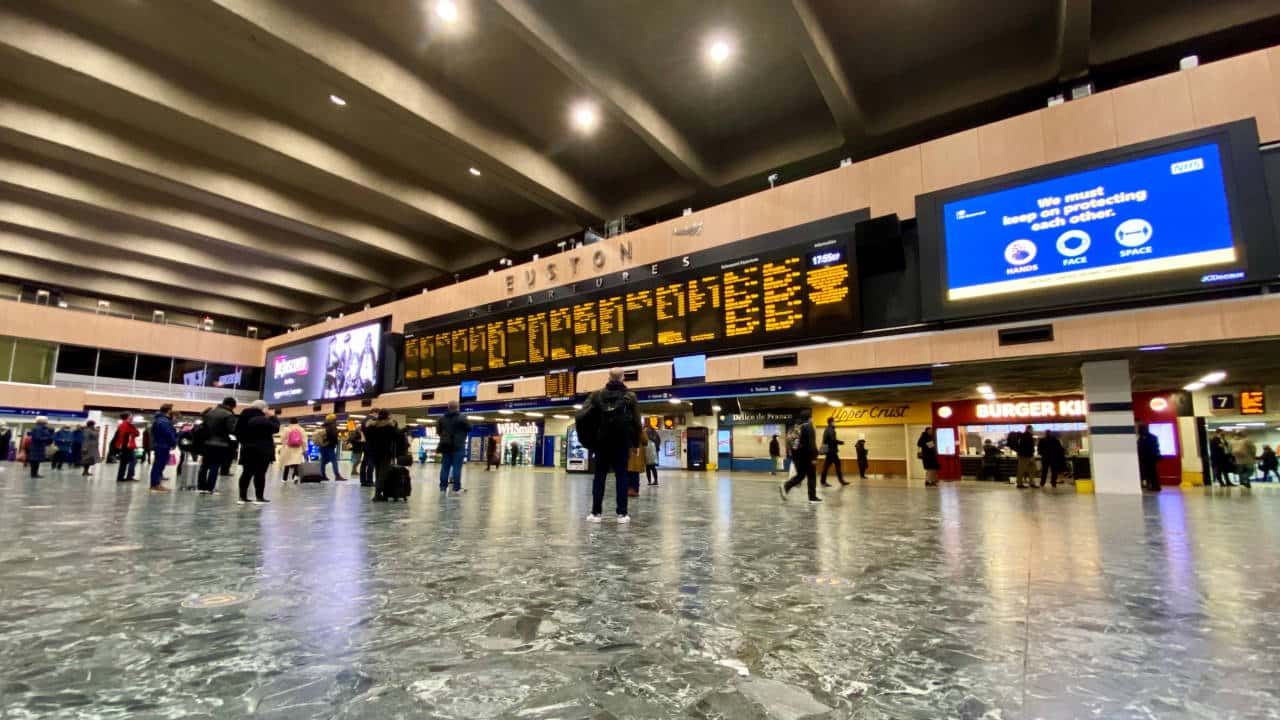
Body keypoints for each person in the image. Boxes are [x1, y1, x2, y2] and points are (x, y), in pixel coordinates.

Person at [579, 368, 642, 522]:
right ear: (623, 378)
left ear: (609, 377)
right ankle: (622, 514)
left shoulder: (596, 395)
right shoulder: (630, 396)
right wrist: (635, 443)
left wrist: (590, 441)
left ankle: (595, 513)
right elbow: (637, 422)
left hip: (601, 443)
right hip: (622, 443)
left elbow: (584, 416)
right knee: (622, 476)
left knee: (599, 476)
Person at [235, 400, 280, 503]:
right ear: (263, 409)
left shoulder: (243, 418)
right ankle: (259, 497)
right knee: (260, 474)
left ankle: (242, 497)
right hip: (263, 450)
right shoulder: (262, 419)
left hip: (247, 449)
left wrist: (245, 442)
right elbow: (276, 428)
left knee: (246, 473)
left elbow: (237, 432)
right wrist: (273, 417)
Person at [197, 397, 237, 495]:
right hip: (220, 444)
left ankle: (201, 487)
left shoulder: (210, 412)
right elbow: (231, 430)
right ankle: (210, 488)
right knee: (215, 465)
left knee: (204, 465)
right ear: (231, 405)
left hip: (206, 443)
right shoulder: (228, 415)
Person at [781, 410, 820, 502]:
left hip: (798, 457)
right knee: (812, 476)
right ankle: (812, 497)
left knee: (801, 475)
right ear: (810, 418)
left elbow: (794, 445)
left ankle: (786, 486)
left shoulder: (798, 427)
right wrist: (814, 457)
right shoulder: (809, 427)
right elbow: (811, 444)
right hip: (808, 457)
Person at [436, 400, 470, 495]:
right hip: (458, 446)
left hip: (445, 446)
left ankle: (442, 488)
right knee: (457, 468)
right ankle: (456, 488)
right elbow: (469, 428)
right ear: (457, 407)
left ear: (448, 407)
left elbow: (438, 431)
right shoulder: (462, 418)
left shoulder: (441, 418)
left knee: (445, 468)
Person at [148, 404, 178, 493]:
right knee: (158, 466)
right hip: (163, 445)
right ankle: (155, 485)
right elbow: (168, 434)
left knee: (158, 465)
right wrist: (174, 442)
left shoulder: (159, 420)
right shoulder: (164, 421)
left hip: (160, 445)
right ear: (168, 410)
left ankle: (156, 484)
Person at [819, 417, 848, 487]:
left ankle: (823, 481)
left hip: (829, 451)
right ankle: (841, 481)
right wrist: (840, 442)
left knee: (827, 466)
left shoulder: (827, 429)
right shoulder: (830, 430)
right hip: (832, 451)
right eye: (834, 421)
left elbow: (828, 440)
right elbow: (832, 440)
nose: (834, 423)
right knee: (836, 465)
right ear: (831, 422)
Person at [113, 412, 141, 483]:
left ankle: (120, 477)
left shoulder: (122, 425)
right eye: (131, 416)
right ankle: (130, 476)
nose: (132, 417)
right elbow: (137, 433)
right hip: (127, 446)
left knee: (123, 462)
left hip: (122, 446)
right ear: (128, 417)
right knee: (134, 461)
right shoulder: (128, 425)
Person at [319, 414, 346, 481]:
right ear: (333, 419)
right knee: (334, 461)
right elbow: (333, 435)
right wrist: (336, 439)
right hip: (329, 446)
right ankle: (337, 476)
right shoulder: (332, 425)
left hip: (323, 445)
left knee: (323, 461)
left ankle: (322, 475)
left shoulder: (324, 425)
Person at [1137, 424, 1162, 492]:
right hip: (1149, 458)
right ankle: (1152, 485)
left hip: (1149, 458)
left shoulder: (1145, 438)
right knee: (1150, 472)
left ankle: (1154, 486)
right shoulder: (1151, 437)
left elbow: (1143, 448)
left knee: (1151, 472)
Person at [1013, 425, 1037, 489]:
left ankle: (1030, 483)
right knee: (1023, 470)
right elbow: (1029, 447)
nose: (1033, 430)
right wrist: (1031, 455)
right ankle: (1020, 484)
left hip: (1025, 455)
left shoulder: (1025, 436)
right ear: (1029, 429)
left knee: (1030, 469)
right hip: (1026, 455)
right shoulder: (1027, 436)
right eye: (1032, 429)